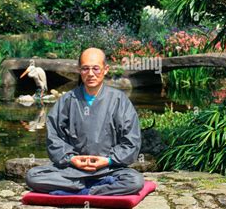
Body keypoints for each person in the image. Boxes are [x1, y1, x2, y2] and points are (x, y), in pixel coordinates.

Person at [26, 48, 145, 196]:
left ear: (105, 69)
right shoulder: (67, 100)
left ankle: (83, 189)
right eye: (85, 68)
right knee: (33, 176)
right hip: (73, 170)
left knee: (135, 181)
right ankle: (96, 189)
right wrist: (72, 158)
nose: (90, 74)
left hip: (109, 169)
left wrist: (108, 160)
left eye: (96, 68)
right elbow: (54, 138)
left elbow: (131, 142)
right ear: (79, 70)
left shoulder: (119, 100)